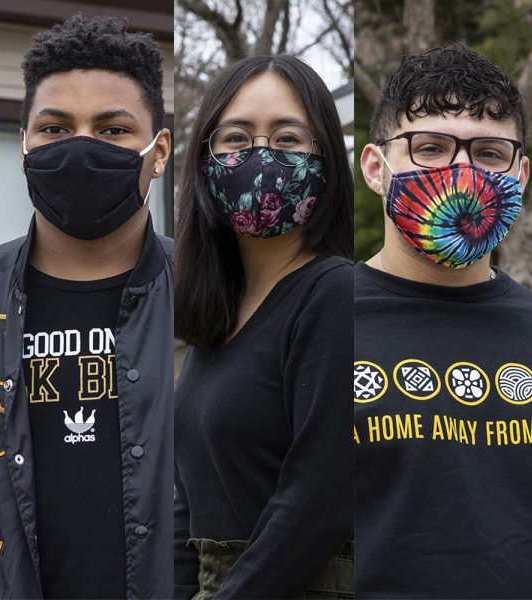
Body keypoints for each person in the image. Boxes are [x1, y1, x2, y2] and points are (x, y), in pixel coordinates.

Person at [0, 15, 174, 600]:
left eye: (113, 130)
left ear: (160, 151)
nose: (79, 148)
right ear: (23, 146)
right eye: (54, 127)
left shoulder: (215, 292)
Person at [355, 43, 532, 598]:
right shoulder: (315, 318)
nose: (460, 170)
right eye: (429, 148)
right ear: (375, 169)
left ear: (520, 174)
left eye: (487, 152)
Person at [172, 54, 354, 598]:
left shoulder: (335, 294)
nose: (261, 157)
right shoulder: (217, 315)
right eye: (236, 138)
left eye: (288, 139)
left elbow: (319, 498)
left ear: (326, 159)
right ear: (205, 159)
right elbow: (193, 502)